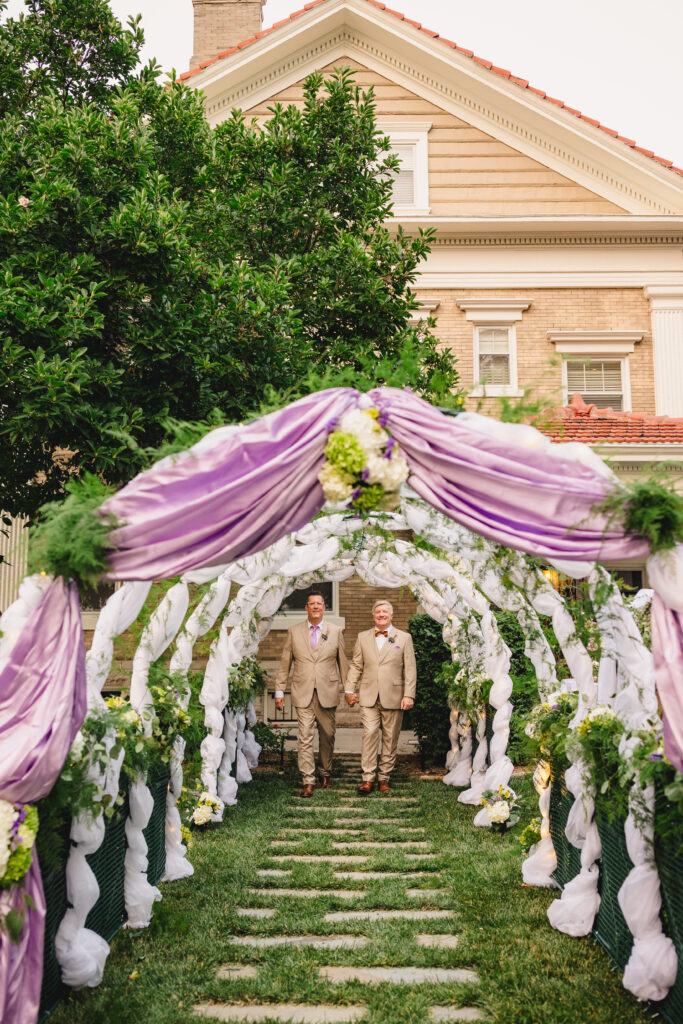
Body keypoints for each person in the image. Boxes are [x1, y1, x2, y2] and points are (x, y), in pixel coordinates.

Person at [274, 590, 349, 797]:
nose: (315, 607)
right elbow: (284, 664)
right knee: (304, 736)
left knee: (328, 735)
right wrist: (279, 691)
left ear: (324, 608)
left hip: (328, 690)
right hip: (302, 691)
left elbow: (343, 662)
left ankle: (325, 772)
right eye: (311, 604)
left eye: (319, 603)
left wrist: (349, 689)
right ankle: (308, 780)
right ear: (306, 608)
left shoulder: (335, 631)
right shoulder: (294, 631)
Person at [344, 599, 416, 794]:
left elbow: (410, 669)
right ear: (373, 616)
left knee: (390, 738)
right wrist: (349, 689)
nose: (381, 615)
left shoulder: (404, 638)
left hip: (394, 695)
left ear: (391, 615)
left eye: (385, 612)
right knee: (369, 734)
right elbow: (357, 665)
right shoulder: (362, 637)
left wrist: (409, 695)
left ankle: (384, 777)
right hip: (368, 696)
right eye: (378, 612)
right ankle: (368, 778)